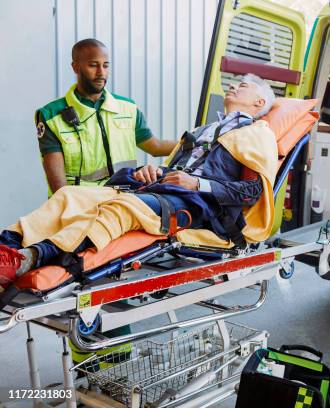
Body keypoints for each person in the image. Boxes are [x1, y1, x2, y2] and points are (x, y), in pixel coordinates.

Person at [0, 73, 276, 289]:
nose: (233, 86)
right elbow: (174, 167)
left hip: (199, 206)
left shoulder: (256, 134)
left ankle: (32, 257)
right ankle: (8, 246)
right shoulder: (205, 130)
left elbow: (251, 192)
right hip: (163, 188)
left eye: (243, 86)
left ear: (259, 103)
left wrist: (196, 184)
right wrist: (152, 170)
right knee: (71, 195)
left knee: (123, 208)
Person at [36, 38, 177, 193]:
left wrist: (195, 143)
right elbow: (60, 189)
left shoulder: (128, 108)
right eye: (93, 65)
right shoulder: (50, 116)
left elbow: (155, 147)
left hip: (124, 200)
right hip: (80, 204)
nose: (101, 73)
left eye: (105, 65)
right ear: (75, 67)